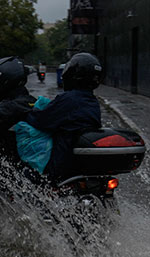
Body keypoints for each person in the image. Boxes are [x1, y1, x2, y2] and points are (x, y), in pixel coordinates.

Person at [24, 52, 103, 182]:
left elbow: (41, 121)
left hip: (62, 164)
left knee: (25, 172)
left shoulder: (69, 99)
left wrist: (25, 113)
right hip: (78, 162)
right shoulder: (91, 101)